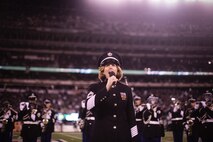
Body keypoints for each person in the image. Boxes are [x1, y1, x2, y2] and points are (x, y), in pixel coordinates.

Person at [86, 52, 138, 142]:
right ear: (102, 70)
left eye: (113, 65)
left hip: (122, 137)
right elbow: (88, 106)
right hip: (101, 136)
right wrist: (107, 87)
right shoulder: (95, 87)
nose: (110, 67)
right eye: (107, 65)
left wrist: (134, 138)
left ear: (117, 69)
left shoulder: (126, 89)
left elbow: (131, 117)